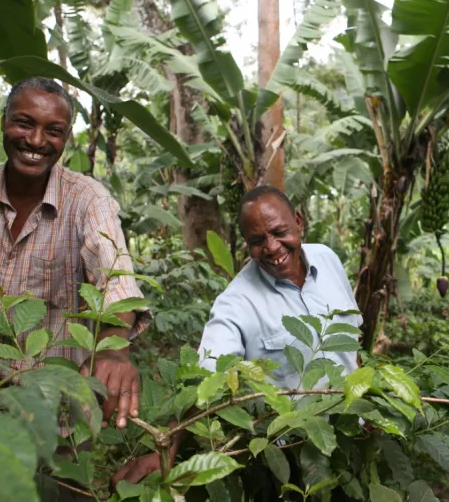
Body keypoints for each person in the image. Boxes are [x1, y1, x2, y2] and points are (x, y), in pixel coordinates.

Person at [0, 77, 150, 432]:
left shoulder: (88, 201)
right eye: (24, 123)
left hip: (54, 419)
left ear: (66, 138)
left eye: (53, 130)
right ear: (4, 121)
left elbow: (114, 282)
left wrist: (112, 352)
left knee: (58, 488)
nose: (35, 141)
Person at [112, 185, 361, 486]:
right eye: (257, 241)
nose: (271, 247)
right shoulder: (235, 305)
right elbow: (209, 379)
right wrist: (166, 446)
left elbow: (350, 344)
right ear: (246, 243)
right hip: (294, 459)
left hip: (356, 436)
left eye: (279, 232)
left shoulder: (328, 259)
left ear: (298, 221)